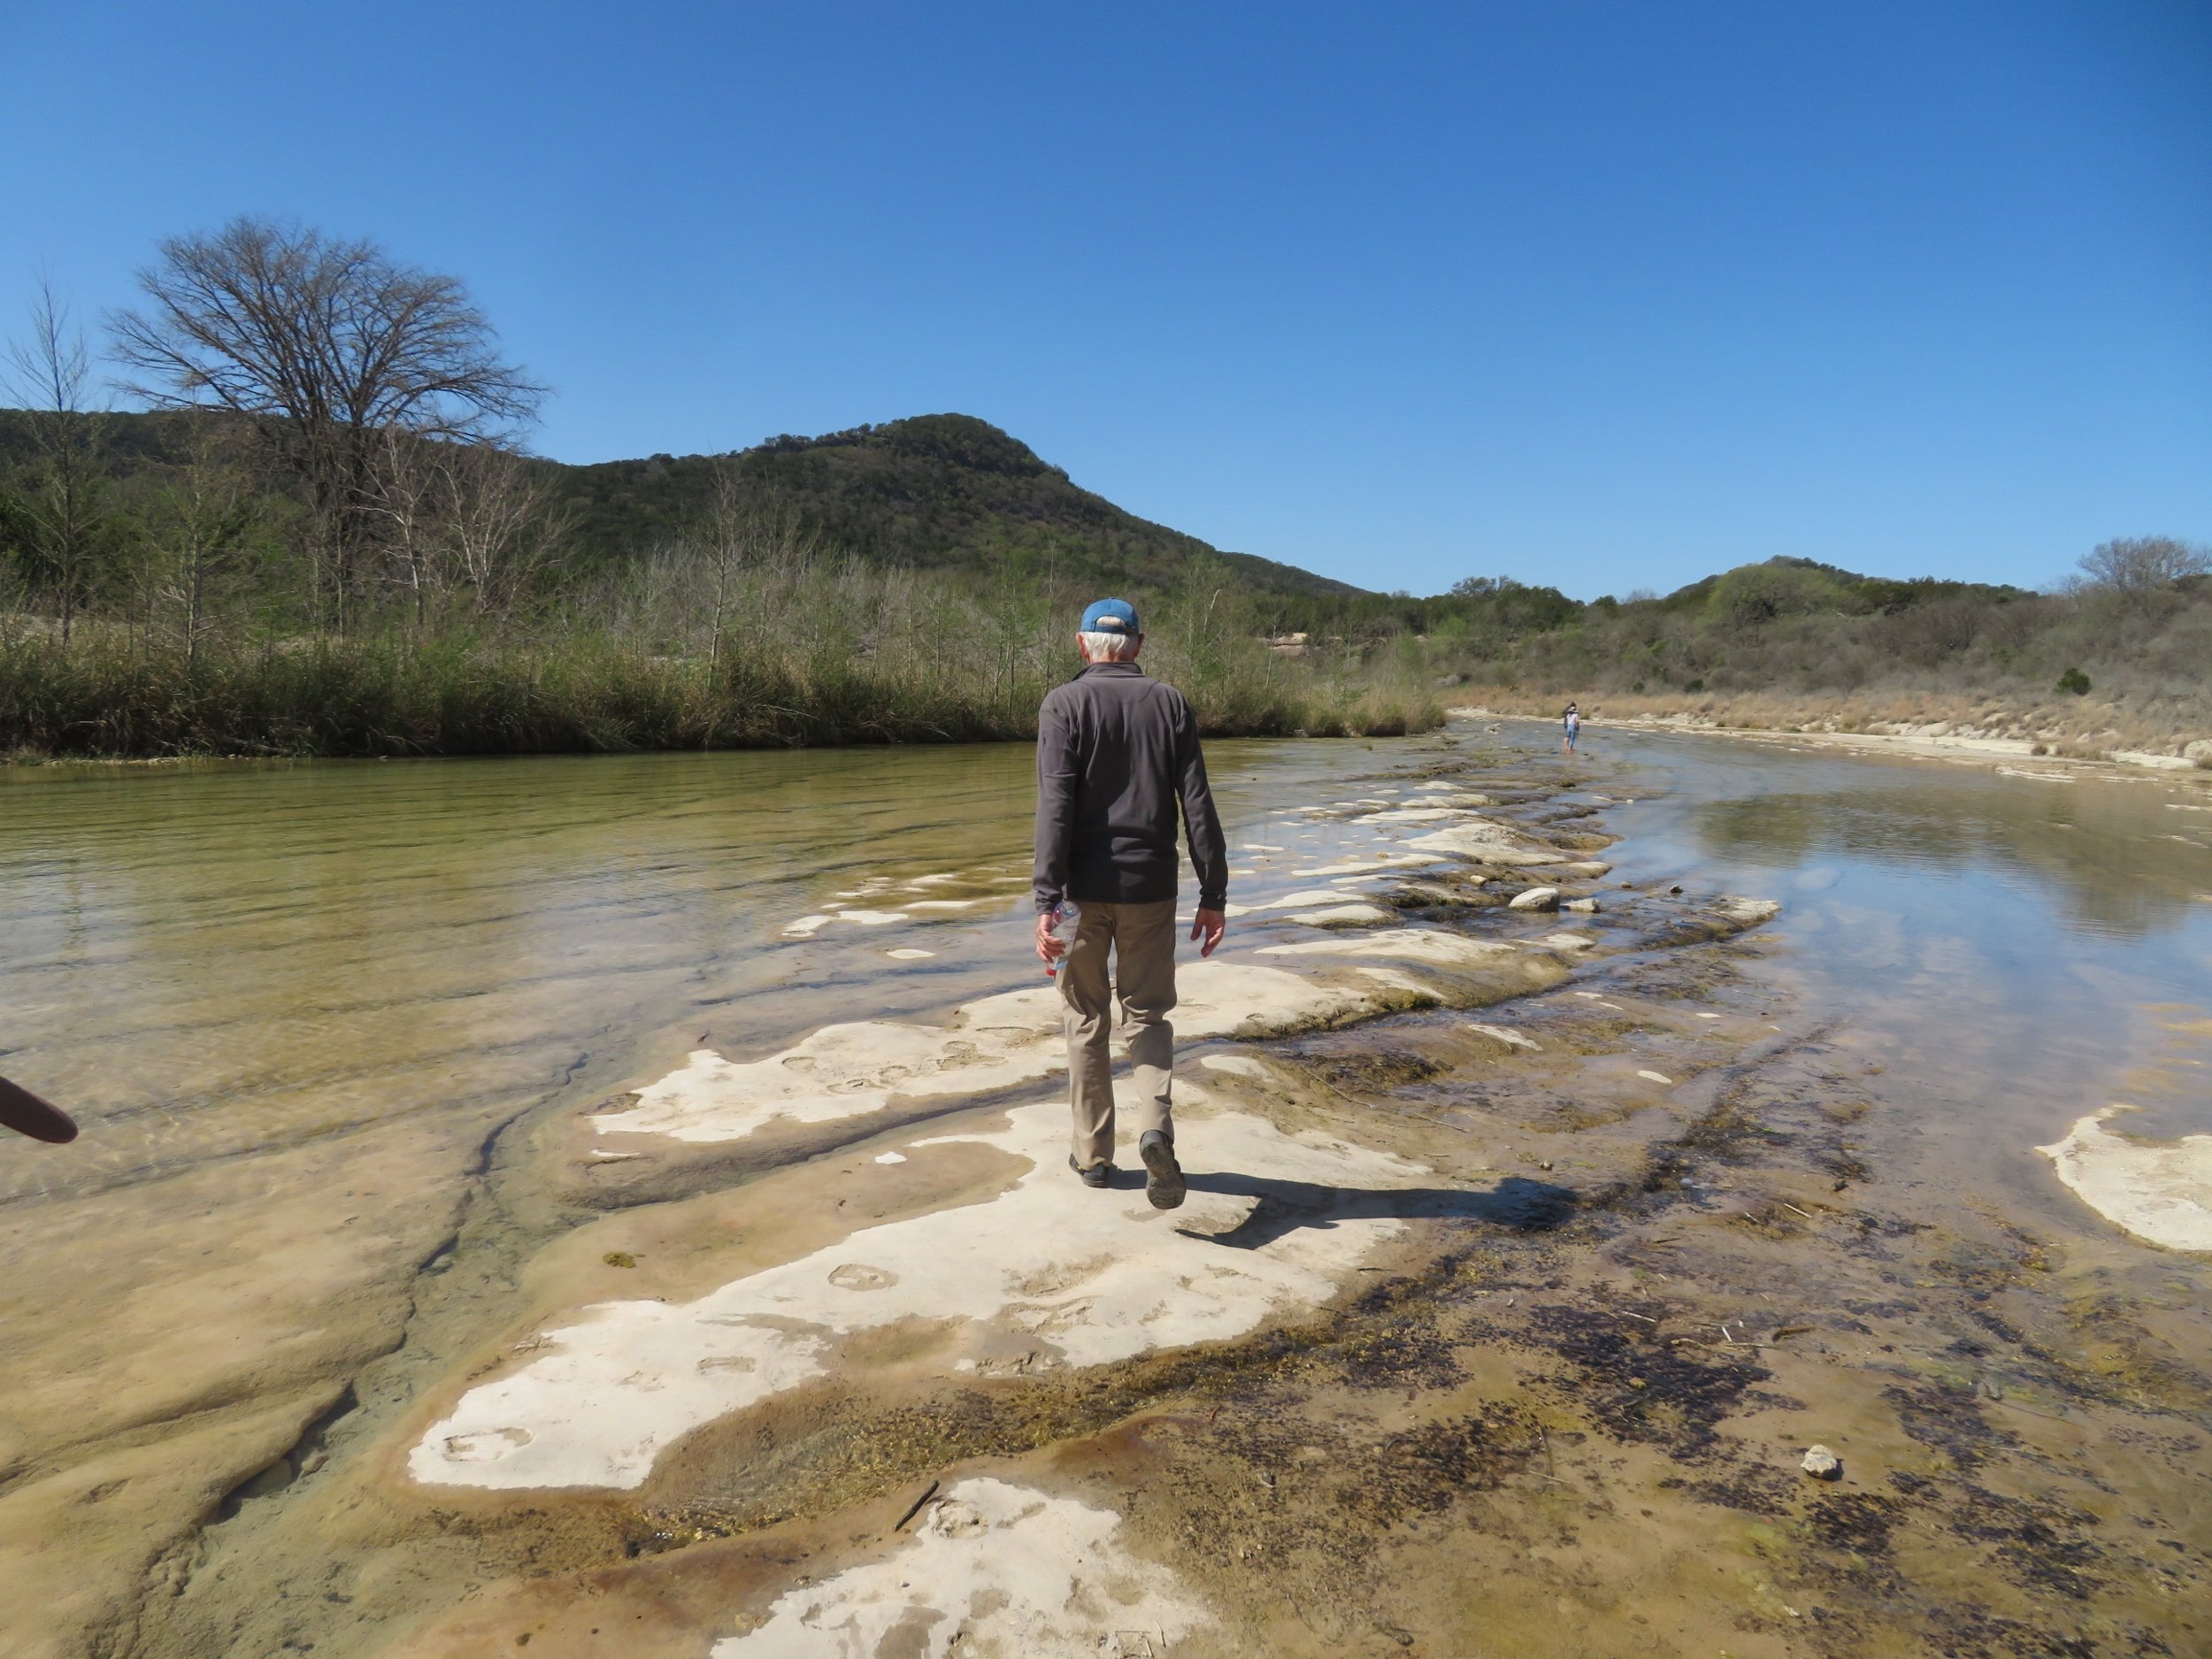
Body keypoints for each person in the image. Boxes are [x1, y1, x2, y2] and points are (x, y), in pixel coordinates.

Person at [1033, 598, 1228, 1210]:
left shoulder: (1063, 704)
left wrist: (1046, 896)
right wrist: (1213, 891)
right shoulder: (1169, 703)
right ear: (1138, 646)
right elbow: (1196, 802)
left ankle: (1094, 1157)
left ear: (1081, 643)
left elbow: (1055, 807)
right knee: (1146, 1017)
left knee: (1086, 1018)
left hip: (1083, 894)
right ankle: (1156, 1132)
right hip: (1151, 888)